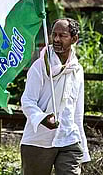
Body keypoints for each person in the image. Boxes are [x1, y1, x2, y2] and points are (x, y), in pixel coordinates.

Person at [20, 18, 90, 175]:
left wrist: (83, 149)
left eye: (62, 35)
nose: (57, 39)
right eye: (54, 35)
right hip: (39, 141)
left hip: (69, 139)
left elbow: (78, 113)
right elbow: (27, 101)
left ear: (74, 39)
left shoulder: (77, 70)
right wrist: (42, 118)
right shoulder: (39, 67)